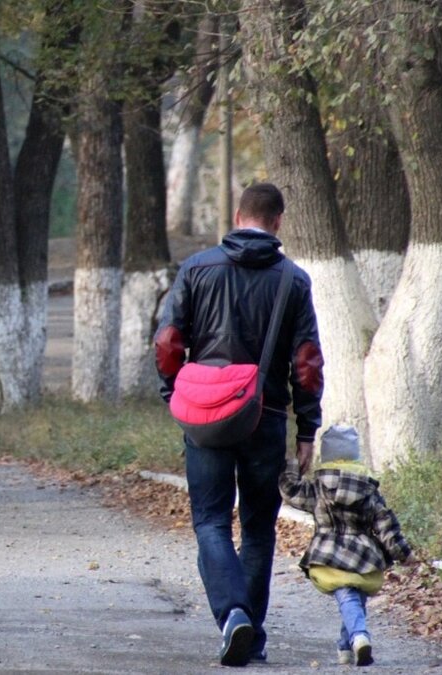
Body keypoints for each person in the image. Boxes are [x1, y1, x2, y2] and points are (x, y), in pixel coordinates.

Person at [154, 182, 324, 667]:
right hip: (264, 417)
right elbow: (307, 363)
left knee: (210, 521)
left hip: (204, 416)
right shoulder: (293, 280)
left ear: (236, 215)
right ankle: (252, 629)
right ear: (278, 222)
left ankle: (233, 617)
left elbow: (168, 343)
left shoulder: (197, 268)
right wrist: (307, 429)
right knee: (257, 529)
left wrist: (175, 395)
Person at [279, 424, 413, 667]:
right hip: (363, 556)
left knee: (347, 597)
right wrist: (404, 554)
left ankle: (359, 637)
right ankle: (347, 646)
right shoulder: (368, 489)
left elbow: (290, 492)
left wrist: (292, 464)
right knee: (354, 598)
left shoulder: (318, 488)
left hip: (329, 554)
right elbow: (386, 525)